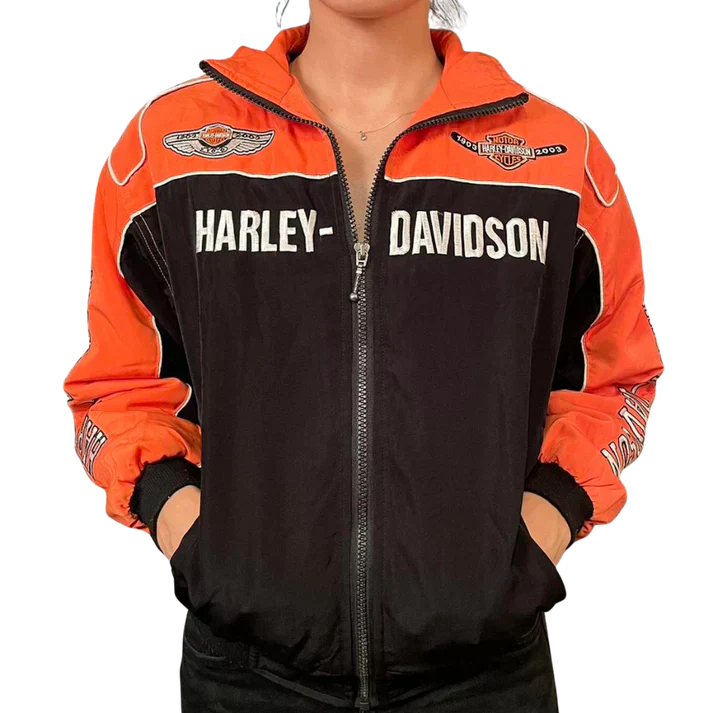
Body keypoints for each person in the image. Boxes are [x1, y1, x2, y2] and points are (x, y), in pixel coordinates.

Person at [61, 2, 667, 711]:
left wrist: (543, 528)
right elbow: (117, 385)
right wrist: (188, 529)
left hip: (485, 678)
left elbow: (616, 381)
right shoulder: (169, 147)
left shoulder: (558, 157)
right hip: (245, 676)